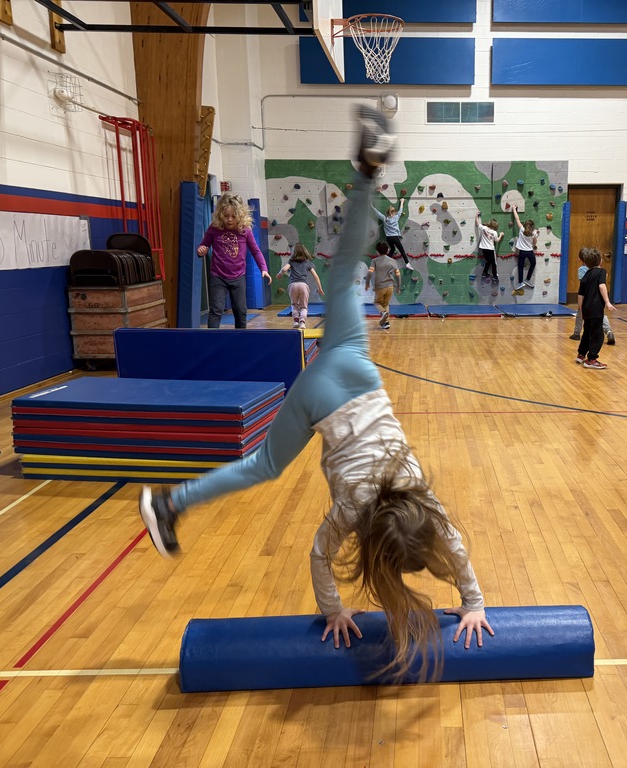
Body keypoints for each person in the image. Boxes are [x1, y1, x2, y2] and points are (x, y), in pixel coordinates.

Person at [140, 106, 493, 681]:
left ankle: (366, 171)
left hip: (353, 369)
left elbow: (452, 549)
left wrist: (473, 597)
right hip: (324, 398)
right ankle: (168, 502)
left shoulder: (427, 503)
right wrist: (338, 610)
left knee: (345, 267)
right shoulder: (355, 513)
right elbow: (323, 557)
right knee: (263, 465)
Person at [197, 194, 272, 329]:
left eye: (233, 216)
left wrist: (264, 269)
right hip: (218, 276)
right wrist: (201, 250)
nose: (230, 220)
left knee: (241, 311)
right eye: (226, 216)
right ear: (220, 215)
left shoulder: (245, 230)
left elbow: (255, 250)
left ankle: (241, 339)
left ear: (240, 215)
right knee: (216, 310)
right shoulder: (214, 228)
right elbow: (204, 245)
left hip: (238, 277)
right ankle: (211, 342)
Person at [575, 247, 617, 370]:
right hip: (595, 309)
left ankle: (581, 354)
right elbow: (602, 286)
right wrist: (608, 302)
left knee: (587, 332)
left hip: (586, 309)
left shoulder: (586, 275)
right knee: (598, 335)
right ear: (600, 261)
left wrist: (581, 310)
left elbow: (580, 295)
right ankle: (592, 359)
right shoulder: (601, 272)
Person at [570, 251, 615, 344]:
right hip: (598, 297)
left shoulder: (582, 269)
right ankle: (609, 331)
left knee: (580, 312)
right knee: (600, 314)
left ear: (581, 260)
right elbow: (602, 283)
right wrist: (607, 301)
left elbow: (582, 283)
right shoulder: (601, 271)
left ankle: (577, 333)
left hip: (587, 296)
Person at [277, 242, 324, 329]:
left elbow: (284, 269)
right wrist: (320, 288)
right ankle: (302, 322)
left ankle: (296, 321)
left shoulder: (291, 261)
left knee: (294, 304)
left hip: (293, 285)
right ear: (304, 252)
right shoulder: (307, 262)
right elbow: (316, 277)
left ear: (294, 252)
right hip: (303, 285)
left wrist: (279, 274)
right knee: (303, 306)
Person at [371, 196, 413, 269]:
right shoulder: (396, 217)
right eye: (395, 212)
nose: (396, 213)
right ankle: (407, 263)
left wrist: (371, 207)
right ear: (392, 213)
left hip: (388, 238)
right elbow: (400, 210)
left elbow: (377, 213)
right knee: (401, 250)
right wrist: (402, 201)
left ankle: (384, 261)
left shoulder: (385, 219)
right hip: (395, 237)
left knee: (393, 249)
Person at [366, 241, 401, 331]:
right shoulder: (392, 261)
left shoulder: (375, 261)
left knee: (377, 302)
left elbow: (370, 273)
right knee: (385, 304)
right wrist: (398, 287)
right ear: (388, 250)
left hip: (380, 286)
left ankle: (383, 313)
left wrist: (367, 283)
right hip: (390, 286)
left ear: (377, 251)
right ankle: (385, 323)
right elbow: (397, 274)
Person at [511, 209, 538, 291]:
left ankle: (520, 282)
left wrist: (514, 209)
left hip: (522, 251)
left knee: (520, 266)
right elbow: (534, 243)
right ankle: (527, 279)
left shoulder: (522, 229)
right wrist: (535, 237)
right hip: (529, 251)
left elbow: (517, 219)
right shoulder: (533, 233)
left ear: (525, 225)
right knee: (533, 263)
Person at [474, 212, 503, 283]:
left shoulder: (484, 228)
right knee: (494, 263)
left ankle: (484, 273)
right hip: (490, 249)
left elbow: (477, 223)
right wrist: (501, 235)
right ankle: (495, 277)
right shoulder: (495, 232)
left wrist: (476, 215)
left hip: (483, 248)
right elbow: (497, 240)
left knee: (488, 261)